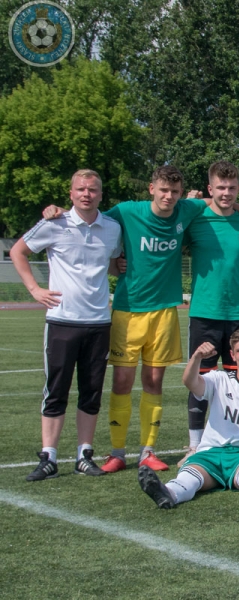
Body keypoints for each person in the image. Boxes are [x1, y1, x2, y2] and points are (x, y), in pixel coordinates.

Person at [42, 168, 239, 473]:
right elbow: (93, 218)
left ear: (181, 194)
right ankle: (117, 452)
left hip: (165, 310)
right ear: (151, 188)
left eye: (175, 192)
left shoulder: (186, 209)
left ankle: (148, 450)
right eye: (163, 190)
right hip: (128, 308)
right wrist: (59, 211)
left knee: (154, 381)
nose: (169, 197)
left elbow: (221, 201)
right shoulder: (127, 211)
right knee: (122, 381)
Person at [11, 170, 122, 480]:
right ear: (71, 193)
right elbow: (18, 251)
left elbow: (112, 263)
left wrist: (119, 266)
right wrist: (34, 289)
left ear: (101, 195)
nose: (87, 194)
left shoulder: (112, 228)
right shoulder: (54, 223)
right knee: (56, 390)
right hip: (62, 321)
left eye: (93, 190)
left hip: (99, 322)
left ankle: (84, 455)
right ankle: (49, 457)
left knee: (91, 392)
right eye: (81, 189)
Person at [138, 328, 239, 508]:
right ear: (232, 355)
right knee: (188, 477)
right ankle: (167, 493)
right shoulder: (218, 379)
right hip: (210, 453)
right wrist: (197, 357)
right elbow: (190, 382)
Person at [180, 161, 239, 465]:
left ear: (238, 188)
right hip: (204, 311)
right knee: (201, 379)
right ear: (210, 188)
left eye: (231, 188)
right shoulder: (195, 218)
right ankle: (195, 446)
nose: (226, 193)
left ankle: (233, 441)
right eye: (220, 187)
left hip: (238, 313)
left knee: (237, 381)